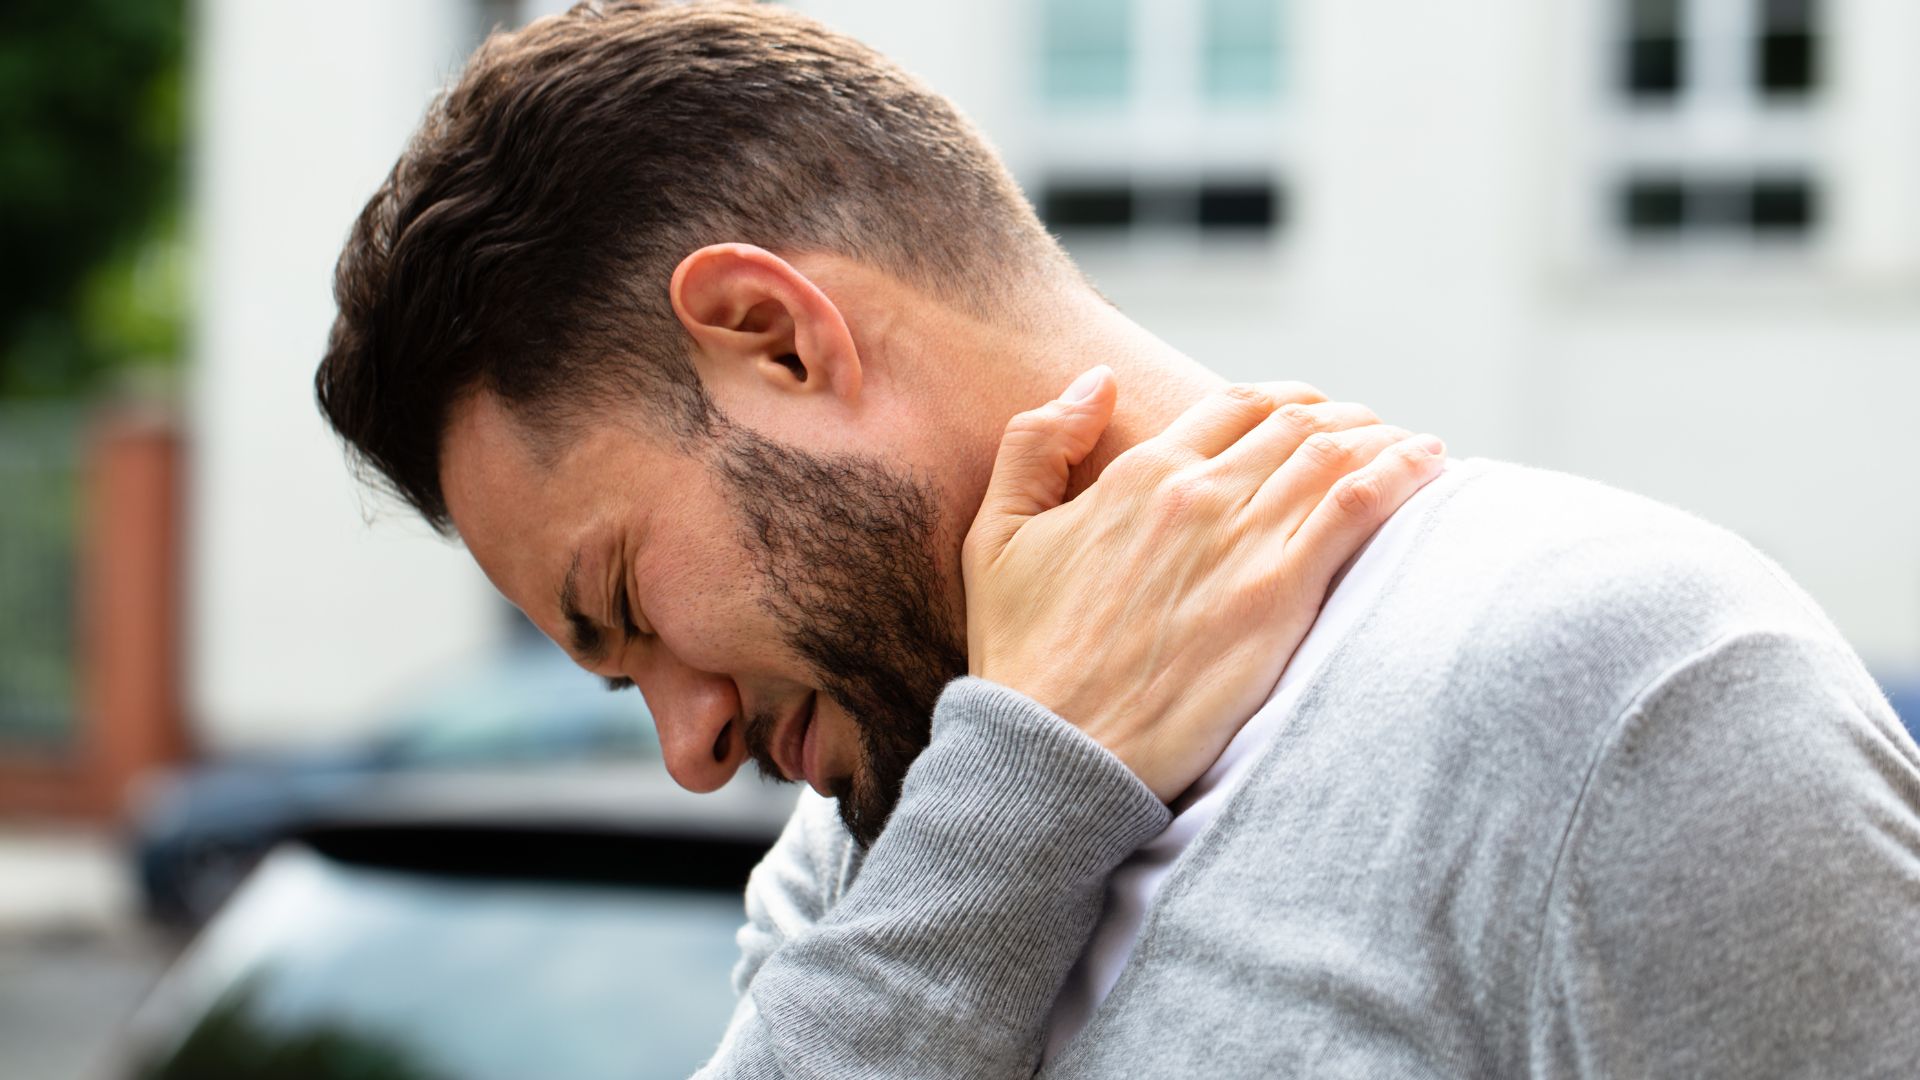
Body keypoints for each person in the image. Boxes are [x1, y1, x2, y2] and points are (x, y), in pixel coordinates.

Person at [312, 2, 1920, 1076]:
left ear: (777, 340)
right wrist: (1019, 795)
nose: (686, 745)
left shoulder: (1621, 690)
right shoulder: (895, 842)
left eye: (624, 606)